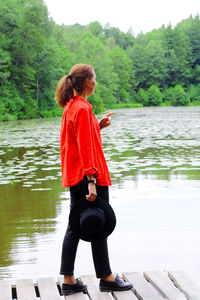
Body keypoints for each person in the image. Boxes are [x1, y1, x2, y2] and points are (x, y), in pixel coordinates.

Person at [55, 63, 133, 295]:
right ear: (87, 82)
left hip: (76, 175)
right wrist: (91, 179)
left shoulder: (73, 107)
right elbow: (85, 148)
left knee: (76, 225)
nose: (96, 82)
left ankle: (69, 279)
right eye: (95, 78)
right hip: (87, 176)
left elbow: (80, 139)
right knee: (98, 222)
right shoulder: (80, 109)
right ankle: (106, 277)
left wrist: (97, 126)